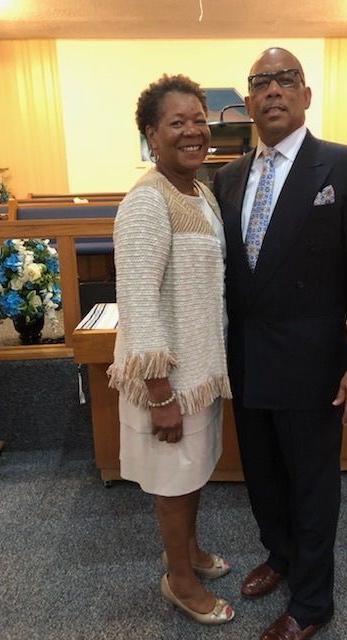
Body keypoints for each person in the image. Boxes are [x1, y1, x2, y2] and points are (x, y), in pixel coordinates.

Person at [214, 48, 347, 640]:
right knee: (262, 476)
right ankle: (281, 555)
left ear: (306, 95)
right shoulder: (228, 178)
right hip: (246, 357)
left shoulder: (346, 167)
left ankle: (312, 603)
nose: (273, 90)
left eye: (286, 79)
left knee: (313, 487)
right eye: (261, 82)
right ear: (248, 101)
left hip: (313, 364)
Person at [108, 74, 234, 626]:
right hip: (168, 381)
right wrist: (160, 393)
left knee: (192, 474)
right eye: (176, 122)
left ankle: (190, 552)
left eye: (199, 120)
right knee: (173, 485)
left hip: (199, 372)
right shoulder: (146, 201)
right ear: (151, 136)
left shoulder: (201, 193)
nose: (192, 131)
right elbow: (137, 301)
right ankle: (179, 580)